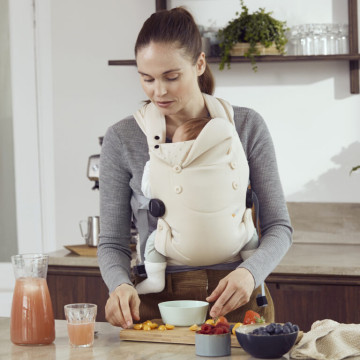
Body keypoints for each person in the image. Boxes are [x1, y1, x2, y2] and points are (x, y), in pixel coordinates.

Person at [98, 7, 293, 329]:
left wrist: (250, 273)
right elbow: (113, 242)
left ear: (199, 64)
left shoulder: (245, 126)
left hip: (237, 294)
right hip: (157, 301)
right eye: (147, 79)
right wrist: (118, 284)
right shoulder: (123, 137)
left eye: (171, 77)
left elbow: (279, 226)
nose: (158, 91)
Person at [135, 115, 259, 295]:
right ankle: (251, 262)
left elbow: (148, 189)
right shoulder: (230, 164)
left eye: (177, 146)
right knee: (249, 229)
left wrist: (152, 165)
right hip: (233, 242)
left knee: (155, 241)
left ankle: (155, 280)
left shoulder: (168, 173)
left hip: (182, 250)